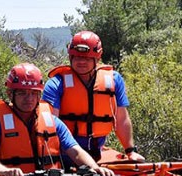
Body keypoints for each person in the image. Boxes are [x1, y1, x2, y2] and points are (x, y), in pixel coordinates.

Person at [0, 63, 114, 176]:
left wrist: (95, 168)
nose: (29, 98)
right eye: (22, 93)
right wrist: (4, 171)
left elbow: (76, 151)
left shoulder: (52, 121)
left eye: (34, 93)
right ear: (10, 94)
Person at [42, 30, 145, 165]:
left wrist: (130, 151)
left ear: (97, 57)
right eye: (76, 57)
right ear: (70, 57)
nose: (81, 62)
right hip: (66, 153)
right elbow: (50, 125)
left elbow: (121, 119)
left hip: (97, 151)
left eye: (86, 58)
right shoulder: (56, 83)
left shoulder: (114, 80)